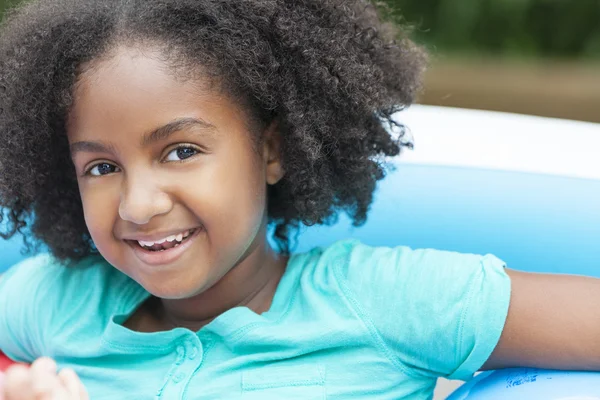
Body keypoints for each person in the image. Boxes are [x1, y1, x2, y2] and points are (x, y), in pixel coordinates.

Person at [0, 0, 598, 399]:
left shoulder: (382, 301)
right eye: (102, 166)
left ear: (271, 151)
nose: (139, 204)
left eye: (181, 151)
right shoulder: (53, 300)